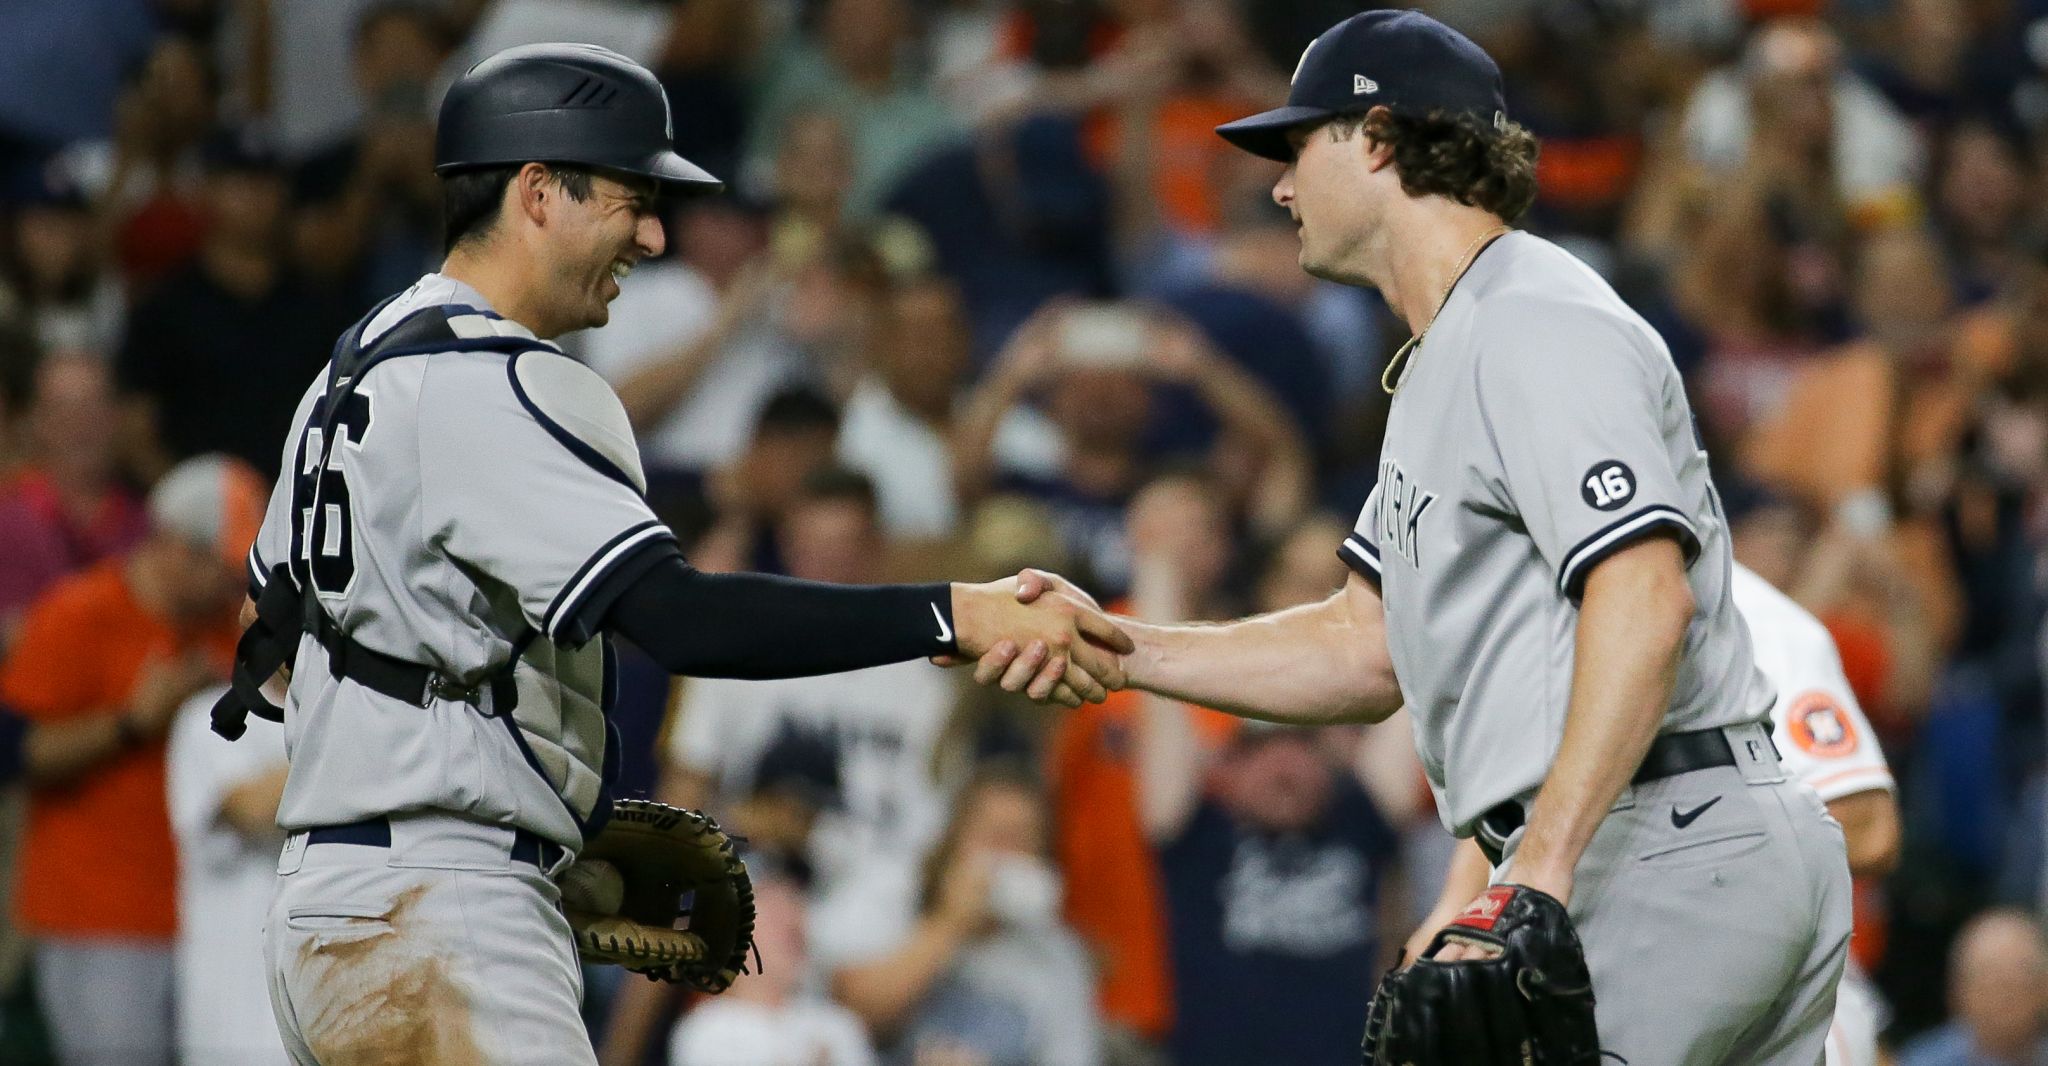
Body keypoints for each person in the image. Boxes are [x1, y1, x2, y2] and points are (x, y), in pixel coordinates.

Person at [967, 11, 1852, 1063]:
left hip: (1660, 838)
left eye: (1298, 148)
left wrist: (1536, 870)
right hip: (1664, 836)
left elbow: (1643, 593)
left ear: (1377, 139)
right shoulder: (1447, 357)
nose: (1280, 187)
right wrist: (1124, 647)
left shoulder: (1532, 320)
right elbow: (1361, 646)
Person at [228, 44, 1128, 1065]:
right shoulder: (504, 377)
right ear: (536, 191)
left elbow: (270, 654)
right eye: (630, 200)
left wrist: (518, 792)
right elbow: (681, 617)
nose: (654, 235)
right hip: (442, 911)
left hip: (327, 911)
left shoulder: (349, 370)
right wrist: (952, 613)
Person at [1414, 557, 1900, 1066]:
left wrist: (1686, 831)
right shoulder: (1549, 607)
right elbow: (1539, 802)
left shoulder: (1755, 617)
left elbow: (1869, 824)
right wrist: (1453, 909)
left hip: (1746, 979)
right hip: (1593, 971)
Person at [0, 453, 261, 1066]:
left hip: (207, 919)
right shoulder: (78, 614)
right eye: (223, 570)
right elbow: (16, 754)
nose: (234, 587)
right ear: (175, 547)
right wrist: (131, 722)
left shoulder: (232, 629)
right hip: (101, 920)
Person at [167, 684, 290, 1066]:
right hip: (236, 1019)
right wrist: (358, 732)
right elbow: (253, 809)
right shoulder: (211, 714)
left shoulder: (354, 713)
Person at [1895, 909, 2048, 1066]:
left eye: (2021, 979)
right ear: (1957, 991)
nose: (2005, 997)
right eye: (1990, 980)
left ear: (2044, 988)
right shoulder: (1921, 1062)